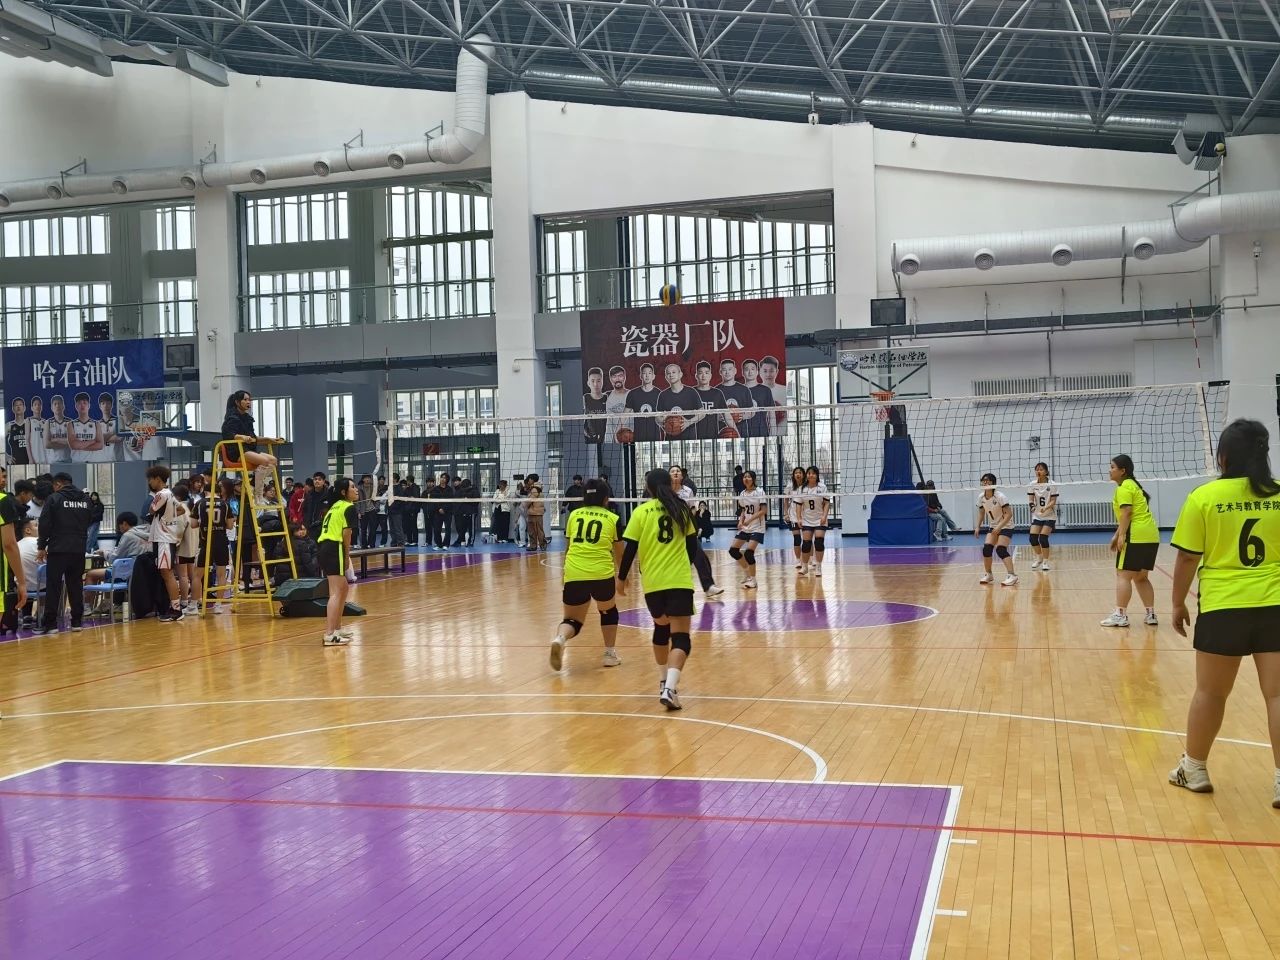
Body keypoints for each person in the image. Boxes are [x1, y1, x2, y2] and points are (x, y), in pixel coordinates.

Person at [1165, 419, 1280, 807]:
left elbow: (1187, 557)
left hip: (1223, 606)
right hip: (1274, 604)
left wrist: (1177, 602)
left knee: (1211, 693)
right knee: (1278, 695)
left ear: (1224, 456)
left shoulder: (1205, 496)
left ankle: (1194, 769)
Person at [618, 468, 699, 711]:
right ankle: (670, 689)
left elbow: (630, 548)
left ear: (648, 488)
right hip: (679, 580)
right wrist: (682, 566)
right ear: (671, 485)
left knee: (661, 628)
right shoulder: (681, 509)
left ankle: (664, 680)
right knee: (681, 638)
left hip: (652, 583)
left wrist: (621, 578)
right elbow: (692, 547)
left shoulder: (641, 512)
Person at [549, 477, 624, 671]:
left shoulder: (574, 515)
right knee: (608, 612)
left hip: (575, 572)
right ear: (606, 499)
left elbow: (568, 548)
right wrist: (623, 578)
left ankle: (560, 638)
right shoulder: (613, 518)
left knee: (572, 620)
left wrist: (565, 573)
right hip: (601, 574)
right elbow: (619, 553)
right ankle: (609, 654)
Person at [1101, 454, 1158, 627]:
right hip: (1151, 535)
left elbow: (1127, 512)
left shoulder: (1124, 487)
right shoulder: (1134, 485)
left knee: (1123, 575)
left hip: (1135, 536)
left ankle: (1120, 615)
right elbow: (1129, 516)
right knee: (1141, 577)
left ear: (1122, 471)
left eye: (1112, 467)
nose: (1110, 470)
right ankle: (1151, 614)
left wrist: (1122, 535)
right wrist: (1117, 534)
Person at [35, 472, 93, 634]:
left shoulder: (54, 499)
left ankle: (51, 624)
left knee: (54, 586)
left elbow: (44, 524)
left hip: (58, 548)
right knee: (75, 585)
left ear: (58, 484)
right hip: (79, 549)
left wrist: (41, 546)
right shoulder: (86, 500)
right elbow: (90, 520)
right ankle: (76, 622)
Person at [317, 477, 360, 646]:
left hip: (325, 547)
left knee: (343, 588)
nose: (356, 489)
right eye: (352, 487)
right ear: (344, 492)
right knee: (336, 591)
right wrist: (346, 555)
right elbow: (346, 534)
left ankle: (337, 628)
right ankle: (329, 634)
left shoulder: (335, 506)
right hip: (334, 547)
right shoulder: (349, 507)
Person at [670, 466, 724, 597]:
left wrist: (688, 520)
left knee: (700, 556)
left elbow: (693, 509)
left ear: (682, 476)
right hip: (670, 532)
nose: (676, 473)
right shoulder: (665, 491)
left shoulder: (688, 491)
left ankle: (709, 586)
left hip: (686, 529)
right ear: (668, 476)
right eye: (672, 471)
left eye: (678, 471)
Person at [220, 390, 282, 501]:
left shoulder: (247, 418)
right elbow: (229, 435)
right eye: (245, 399)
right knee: (264, 461)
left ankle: (253, 484)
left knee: (273, 460)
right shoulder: (231, 418)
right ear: (237, 402)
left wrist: (269, 439)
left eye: (249, 400)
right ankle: (259, 495)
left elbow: (253, 438)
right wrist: (242, 437)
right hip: (236, 452)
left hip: (248, 450)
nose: (248, 402)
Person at [146, 464, 187, 622]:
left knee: (167, 574)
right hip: (167, 537)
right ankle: (174, 607)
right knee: (166, 574)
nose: (149, 482)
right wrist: (169, 516)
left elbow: (151, 510)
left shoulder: (161, 494)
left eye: (151, 479)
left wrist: (165, 516)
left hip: (163, 539)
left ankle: (176, 609)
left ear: (157, 479)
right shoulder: (170, 493)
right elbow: (181, 510)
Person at [194, 479, 234, 614]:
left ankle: (193, 605)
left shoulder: (200, 503)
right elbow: (230, 525)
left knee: (197, 575)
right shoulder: (225, 504)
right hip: (221, 541)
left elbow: (193, 524)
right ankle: (218, 605)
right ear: (219, 492)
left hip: (205, 542)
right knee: (221, 574)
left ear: (205, 491)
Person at [974, 472, 1018, 586]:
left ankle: (1012, 575)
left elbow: (1009, 514)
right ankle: (989, 574)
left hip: (1006, 525)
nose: (985, 482)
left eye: (988, 480)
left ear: (993, 483)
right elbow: (981, 513)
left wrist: (999, 527)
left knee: (1000, 549)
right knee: (987, 549)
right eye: (984, 480)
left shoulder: (1000, 496)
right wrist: (977, 527)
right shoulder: (981, 497)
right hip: (993, 526)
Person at [731, 469, 765, 588]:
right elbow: (743, 510)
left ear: (753, 479)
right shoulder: (742, 494)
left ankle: (754, 581)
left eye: (749, 477)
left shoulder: (760, 491)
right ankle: (747, 574)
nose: (746, 479)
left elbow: (764, 511)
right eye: (744, 477)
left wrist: (749, 520)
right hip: (746, 527)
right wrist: (740, 522)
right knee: (733, 550)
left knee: (749, 553)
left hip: (757, 527)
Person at [795, 465, 832, 575]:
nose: (811, 475)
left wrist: (824, 516)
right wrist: (799, 518)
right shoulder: (802, 488)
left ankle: (818, 566)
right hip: (807, 520)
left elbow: (827, 503)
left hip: (820, 519)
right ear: (806, 475)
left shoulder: (822, 487)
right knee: (806, 544)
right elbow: (798, 505)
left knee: (819, 542)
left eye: (813, 473)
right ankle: (805, 567)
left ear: (817, 475)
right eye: (809, 473)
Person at [174, 483, 201, 614]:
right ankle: (198, 598)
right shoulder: (192, 507)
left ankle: (184, 600)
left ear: (177, 496)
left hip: (183, 547)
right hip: (193, 546)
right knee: (194, 575)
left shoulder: (181, 509)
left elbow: (179, 529)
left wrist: (175, 543)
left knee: (183, 575)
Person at [1027, 462, 1059, 571]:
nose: (1038, 471)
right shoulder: (1032, 484)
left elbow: (1053, 501)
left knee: (1043, 538)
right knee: (1032, 538)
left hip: (1049, 515)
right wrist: (1032, 506)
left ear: (1046, 471)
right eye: (1037, 469)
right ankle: (1039, 558)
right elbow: (1031, 500)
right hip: (1037, 515)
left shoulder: (1052, 484)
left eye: (1041, 469)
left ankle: (1045, 562)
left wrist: (1045, 508)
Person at [656, 362, 699, 440]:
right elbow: (657, 417)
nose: (671, 375)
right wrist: (663, 424)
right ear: (666, 377)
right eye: (668, 373)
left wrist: (688, 422)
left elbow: (702, 413)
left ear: (680, 374)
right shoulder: (663, 395)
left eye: (673, 372)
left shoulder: (691, 392)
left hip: (689, 438)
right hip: (670, 438)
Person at [624, 362, 662, 443]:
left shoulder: (659, 394)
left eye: (649, 373)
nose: (647, 375)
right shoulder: (633, 394)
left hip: (655, 437)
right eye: (644, 373)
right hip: (638, 436)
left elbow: (663, 418)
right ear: (641, 376)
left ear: (653, 376)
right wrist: (617, 431)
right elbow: (623, 416)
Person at [692, 362, 727, 441]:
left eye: (706, 373)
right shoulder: (691, 392)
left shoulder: (717, 393)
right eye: (700, 373)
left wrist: (736, 432)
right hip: (694, 436)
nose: (703, 376)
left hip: (713, 436)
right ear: (696, 376)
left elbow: (726, 415)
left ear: (710, 375)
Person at [604, 366, 632, 443]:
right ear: (610, 379)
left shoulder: (632, 394)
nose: (617, 379)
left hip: (628, 438)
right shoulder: (606, 396)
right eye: (614, 376)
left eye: (620, 376)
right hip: (610, 439)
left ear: (624, 377)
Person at [787, 466, 806, 570]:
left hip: (806, 516)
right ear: (793, 475)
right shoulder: (790, 486)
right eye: (796, 473)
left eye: (800, 473)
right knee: (797, 538)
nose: (798, 474)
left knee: (807, 539)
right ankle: (798, 560)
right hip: (793, 515)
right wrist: (786, 513)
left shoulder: (807, 486)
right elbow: (785, 500)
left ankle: (810, 559)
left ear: (803, 475)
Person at [582, 367, 607, 443]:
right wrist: (585, 432)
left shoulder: (608, 398)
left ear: (602, 382)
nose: (595, 384)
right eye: (592, 381)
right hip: (589, 439)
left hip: (606, 438)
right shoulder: (584, 398)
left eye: (598, 381)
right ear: (588, 383)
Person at [25, 396, 48, 465]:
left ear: (41, 407)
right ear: (32, 408)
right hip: (34, 458)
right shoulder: (29, 420)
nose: (37, 406)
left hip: (45, 457)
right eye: (35, 404)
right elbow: (27, 440)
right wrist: (30, 458)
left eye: (39, 404)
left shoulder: (45, 422)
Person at [7, 397, 30, 465]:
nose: (18, 407)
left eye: (20, 405)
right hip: (15, 464)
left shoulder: (30, 423)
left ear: (24, 408)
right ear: (13, 409)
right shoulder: (9, 425)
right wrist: (6, 456)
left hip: (31, 463)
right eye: (16, 405)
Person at [526, 483, 548, 551]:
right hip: (539, 514)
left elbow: (528, 502)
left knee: (532, 531)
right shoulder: (541, 493)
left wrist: (524, 505)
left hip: (533, 513)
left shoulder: (534, 490)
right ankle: (542, 545)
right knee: (540, 530)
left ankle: (533, 546)